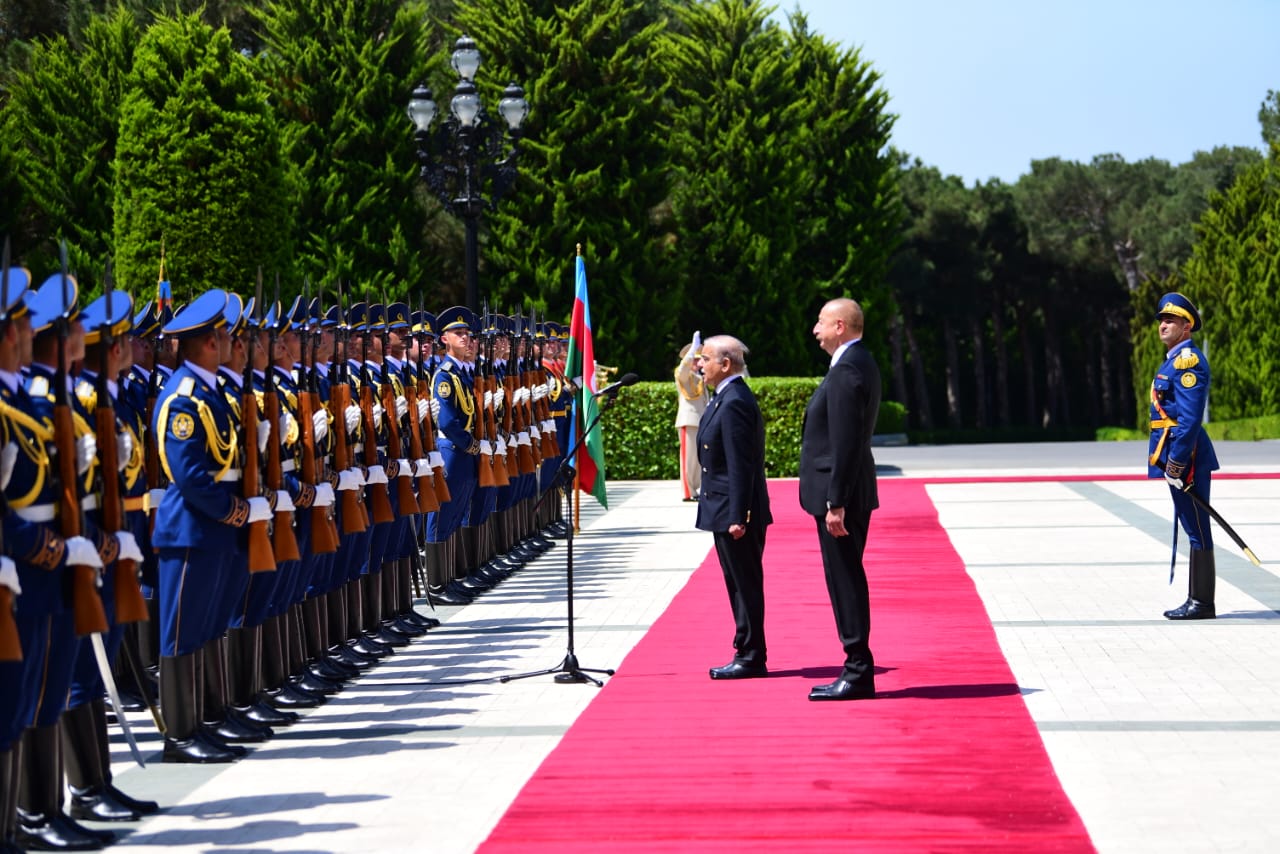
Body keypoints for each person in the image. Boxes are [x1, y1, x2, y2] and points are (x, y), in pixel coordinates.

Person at [799, 298, 881, 701]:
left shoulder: (848, 367)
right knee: (845, 578)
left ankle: (857, 670)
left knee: (845, 580)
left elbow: (846, 443)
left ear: (839, 326)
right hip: (846, 492)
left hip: (842, 496)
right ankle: (856, 667)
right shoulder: (856, 361)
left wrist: (836, 502)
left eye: (820, 322)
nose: (815, 330)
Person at [694, 335, 771, 680]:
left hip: (735, 510)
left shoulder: (735, 399)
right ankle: (745, 649)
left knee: (745, 583)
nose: (699, 365)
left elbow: (742, 465)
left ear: (725, 364)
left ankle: (752, 655)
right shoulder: (724, 396)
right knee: (736, 582)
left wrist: (739, 515)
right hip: (723, 506)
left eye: (705, 359)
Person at [1148, 292, 1219, 620]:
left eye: (1171, 320)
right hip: (1177, 453)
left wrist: (1177, 461)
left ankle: (1202, 602)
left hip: (1186, 456)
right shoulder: (1172, 361)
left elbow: (1189, 420)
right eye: (1162, 319)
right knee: (1193, 525)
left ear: (1187, 326)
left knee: (1197, 527)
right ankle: (1196, 599)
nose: (1163, 324)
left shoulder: (1188, 362)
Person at [674, 334, 709, 501]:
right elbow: (683, 370)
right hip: (689, 420)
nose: (697, 363)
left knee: (697, 459)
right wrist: (692, 351)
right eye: (694, 359)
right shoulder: (683, 375)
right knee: (689, 458)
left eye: (698, 359)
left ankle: (696, 488)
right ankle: (688, 491)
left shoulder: (700, 378)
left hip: (701, 420)